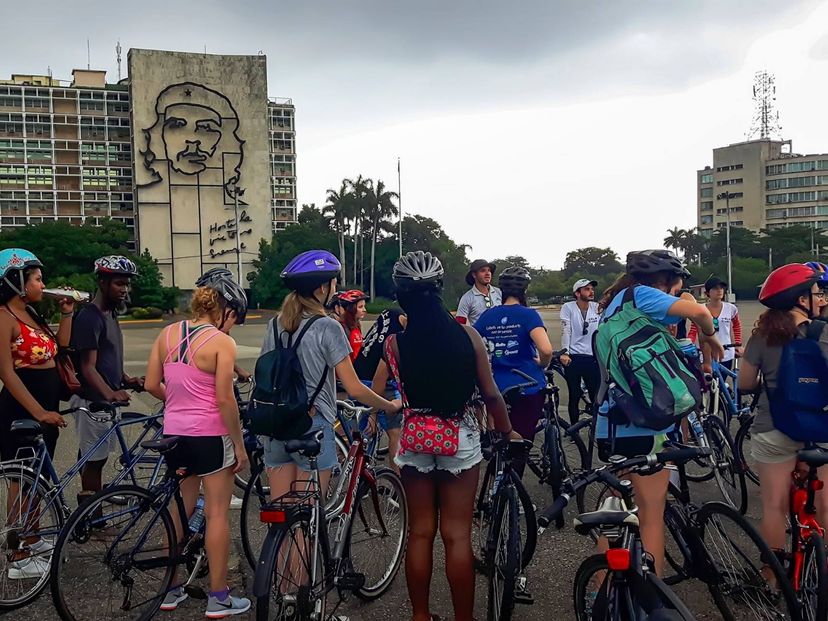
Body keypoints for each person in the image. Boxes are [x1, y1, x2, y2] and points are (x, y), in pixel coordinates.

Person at [372, 251, 516, 621]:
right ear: (439, 290)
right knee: (457, 536)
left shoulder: (395, 344)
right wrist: (505, 429)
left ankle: (420, 615)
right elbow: (490, 393)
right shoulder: (467, 335)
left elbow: (390, 387)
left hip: (415, 440)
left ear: (402, 294)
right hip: (460, 440)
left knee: (420, 533)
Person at [595, 249, 723, 576]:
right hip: (648, 426)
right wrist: (709, 335)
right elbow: (701, 314)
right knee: (651, 515)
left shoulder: (613, 306)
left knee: (616, 513)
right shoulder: (644, 295)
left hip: (611, 425)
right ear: (666, 280)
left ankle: (600, 594)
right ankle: (649, 598)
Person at [145, 270, 251, 616]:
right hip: (210, 436)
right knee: (217, 513)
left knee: (179, 508)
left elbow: (150, 384)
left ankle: (170, 588)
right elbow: (225, 399)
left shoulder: (167, 333)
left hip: (175, 434)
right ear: (223, 311)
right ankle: (218, 597)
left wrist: (176, 404)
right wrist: (238, 445)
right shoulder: (223, 343)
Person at [259, 249, 400, 508]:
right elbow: (354, 388)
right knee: (307, 519)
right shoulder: (328, 327)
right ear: (322, 287)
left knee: (283, 516)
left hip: (276, 425)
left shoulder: (275, 324)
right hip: (311, 426)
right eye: (333, 283)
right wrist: (387, 405)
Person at [738, 264, 828, 560]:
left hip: (774, 427)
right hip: (821, 430)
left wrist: (773, 380)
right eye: (817, 293)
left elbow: (745, 383)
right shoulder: (824, 332)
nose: (821, 298)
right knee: (825, 504)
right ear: (803, 299)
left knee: (774, 506)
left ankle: (772, 580)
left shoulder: (762, 336)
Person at [0, 249, 72, 580]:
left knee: (39, 477)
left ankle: (34, 538)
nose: (43, 284)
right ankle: (17, 556)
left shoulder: (29, 312)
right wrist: (39, 412)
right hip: (22, 410)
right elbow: (7, 372)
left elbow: (59, 347)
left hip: (46, 407)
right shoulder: (4, 317)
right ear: (16, 281)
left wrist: (67, 313)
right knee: (21, 481)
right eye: (37, 278)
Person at [70, 256, 143, 508]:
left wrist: (125, 379)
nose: (125, 289)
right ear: (102, 282)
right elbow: (87, 367)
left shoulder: (109, 313)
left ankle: (92, 505)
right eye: (119, 283)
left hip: (103, 398)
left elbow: (108, 356)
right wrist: (110, 393)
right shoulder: (90, 317)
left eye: (127, 285)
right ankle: (92, 516)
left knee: (93, 456)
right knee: (94, 460)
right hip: (92, 399)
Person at [475, 266, 552, 461]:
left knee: (501, 442)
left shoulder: (488, 316)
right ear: (524, 291)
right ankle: (512, 484)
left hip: (496, 388)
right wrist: (542, 364)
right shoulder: (528, 315)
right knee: (520, 446)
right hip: (527, 386)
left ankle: (497, 480)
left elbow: (469, 343)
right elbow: (546, 349)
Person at [355, 308, 408, 468]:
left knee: (359, 433)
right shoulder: (396, 338)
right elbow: (380, 377)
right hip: (373, 380)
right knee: (395, 432)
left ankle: (354, 471)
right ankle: (397, 483)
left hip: (358, 371)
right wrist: (374, 412)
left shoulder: (391, 313)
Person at [560, 278, 601, 425]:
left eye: (591, 289)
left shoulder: (597, 307)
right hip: (574, 356)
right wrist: (565, 352)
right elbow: (566, 329)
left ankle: (597, 427)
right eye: (587, 289)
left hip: (592, 356)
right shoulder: (568, 307)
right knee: (574, 394)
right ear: (577, 293)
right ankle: (573, 428)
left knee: (595, 394)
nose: (591, 292)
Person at [687, 276, 742, 368]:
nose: (719, 290)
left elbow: (737, 326)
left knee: (722, 381)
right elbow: (693, 330)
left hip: (726, 352)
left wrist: (737, 343)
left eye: (721, 288)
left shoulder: (731, 308)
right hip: (705, 353)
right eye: (715, 288)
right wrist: (689, 344)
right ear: (707, 292)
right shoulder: (700, 309)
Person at [456, 259, 501, 326]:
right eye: (483, 271)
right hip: (479, 336)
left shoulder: (499, 292)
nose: (487, 273)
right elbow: (460, 324)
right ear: (474, 275)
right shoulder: (467, 298)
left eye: (489, 270)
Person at [336, 289, 369, 362]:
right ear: (351, 309)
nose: (364, 310)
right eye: (360, 307)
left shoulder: (356, 326)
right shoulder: (341, 328)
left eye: (364, 306)